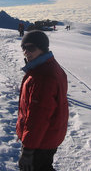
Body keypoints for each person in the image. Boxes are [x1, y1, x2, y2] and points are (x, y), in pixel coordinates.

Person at [16, 30, 69, 171]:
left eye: (31, 48)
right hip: (49, 136)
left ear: (43, 48)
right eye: (24, 48)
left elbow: (38, 118)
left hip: (41, 140)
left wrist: (28, 150)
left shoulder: (42, 77)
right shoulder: (49, 66)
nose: (26, 52)